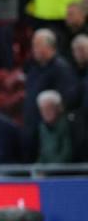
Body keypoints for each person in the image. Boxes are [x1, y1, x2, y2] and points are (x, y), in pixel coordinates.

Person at [22, 29, 80, 158]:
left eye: (37, 45)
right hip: (33, 126)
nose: (33, 49)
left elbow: (69, 98)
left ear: (49, 46)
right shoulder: (34, 67)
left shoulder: (61, 69)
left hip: (50, 131)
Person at [36, 90, 73, 163]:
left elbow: (67, 154)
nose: (46, 112)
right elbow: (43, 154)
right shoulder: (42, 127)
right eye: (43, 109)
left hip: (64, 171)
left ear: (58, 108)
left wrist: (49, 170)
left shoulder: (67, 125)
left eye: (49, 108)